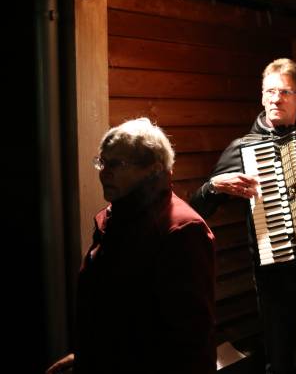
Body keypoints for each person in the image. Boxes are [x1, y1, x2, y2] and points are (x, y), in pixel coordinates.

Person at [190, 58, 296, 374]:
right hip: (275, 278)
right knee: (279, 361)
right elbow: (199, 208)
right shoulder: (244, 148)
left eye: (284, 91)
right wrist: (213, 187)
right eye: (269, 91)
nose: (275, 99)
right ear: (261, 96)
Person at [45, 118, 217, 374]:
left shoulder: (181, 231)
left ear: (154, 169)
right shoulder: (114, 217)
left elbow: (189, 344)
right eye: (102, 162)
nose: (105, 172)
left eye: (117, 164)